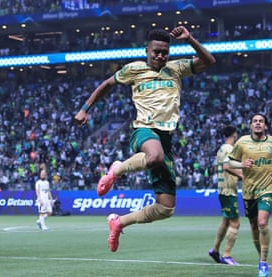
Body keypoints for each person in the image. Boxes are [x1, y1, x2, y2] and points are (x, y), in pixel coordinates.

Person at [74, 26, 215, 252]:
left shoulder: (176, 68)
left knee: (166, 208)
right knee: (154, 155)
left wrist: (190, 39)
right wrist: (85, 109)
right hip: (144, 130)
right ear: (147, 51)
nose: (160, 55)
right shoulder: (134, 69)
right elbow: (107, 84)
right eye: (156, 51)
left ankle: (119, 222)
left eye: (164, 52)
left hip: (166, 138)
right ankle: (117, 169)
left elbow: (209, 61)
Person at [227, 113, 272, 277]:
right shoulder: (242, 142)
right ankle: (261, 257)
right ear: (251, 126)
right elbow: (230, 162)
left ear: (265, 126)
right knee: (253, 226)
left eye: (261, 121)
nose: (258, 123)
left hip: (267, 188)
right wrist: (241, 164)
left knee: (262, 222)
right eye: (255, 121)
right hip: (248, 190)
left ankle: (263, 263)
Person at [208, 125, 243, 266]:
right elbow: (227, 166)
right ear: (234, 136)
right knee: (235, 223)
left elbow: (217, 167)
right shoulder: (230, 149)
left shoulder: (221, 149)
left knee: (226, 221)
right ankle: (227, 254)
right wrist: (242, 175)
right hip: (229, 190)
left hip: (222, 189)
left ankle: (215, 249)